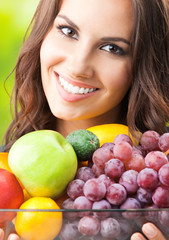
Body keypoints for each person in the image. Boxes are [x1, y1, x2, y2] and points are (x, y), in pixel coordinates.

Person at [1, 0, 169, 239]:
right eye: (68, 31)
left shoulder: (156, 185)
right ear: (43, 33)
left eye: (112, 48)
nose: (79, 66)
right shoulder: (4, 174)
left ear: (141, 66)